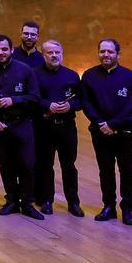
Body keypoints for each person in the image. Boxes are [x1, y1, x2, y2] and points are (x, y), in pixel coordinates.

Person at [0, 35, 43, 220]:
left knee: (27, 164)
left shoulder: (25, 70)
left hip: (22, 123)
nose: (1, 53)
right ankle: (12, 200)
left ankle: (27, 202)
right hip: (0, 125)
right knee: (6, 165)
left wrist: (14, 100)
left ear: (11, 50)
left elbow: (35, 97)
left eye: (4, 49)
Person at [81, 38, 132, 225]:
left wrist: (113, 124)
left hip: (125, 133)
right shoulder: (89, 76)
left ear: (118, 54)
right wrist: (100, 123)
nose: (106, 55)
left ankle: (127, 208)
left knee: (127, 171)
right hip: (100, 132)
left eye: (110, 52)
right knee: (105, 171)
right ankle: (108, 206)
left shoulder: (131, 77)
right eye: (102, 51)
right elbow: (86, 103)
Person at [33, 39, 83, 217]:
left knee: (69, 165)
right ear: (43, 54)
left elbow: (80, 99)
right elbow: (32, 98)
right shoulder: (34, 74)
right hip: (44, 127)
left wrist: (71, 106)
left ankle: (73, 202)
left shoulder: (71, 75)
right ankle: (47, 200)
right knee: (45, 165)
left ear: (62, 53)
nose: (54, 56)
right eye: (49, 53)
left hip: (67, 127)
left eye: (57, 52)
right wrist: (48, 105)